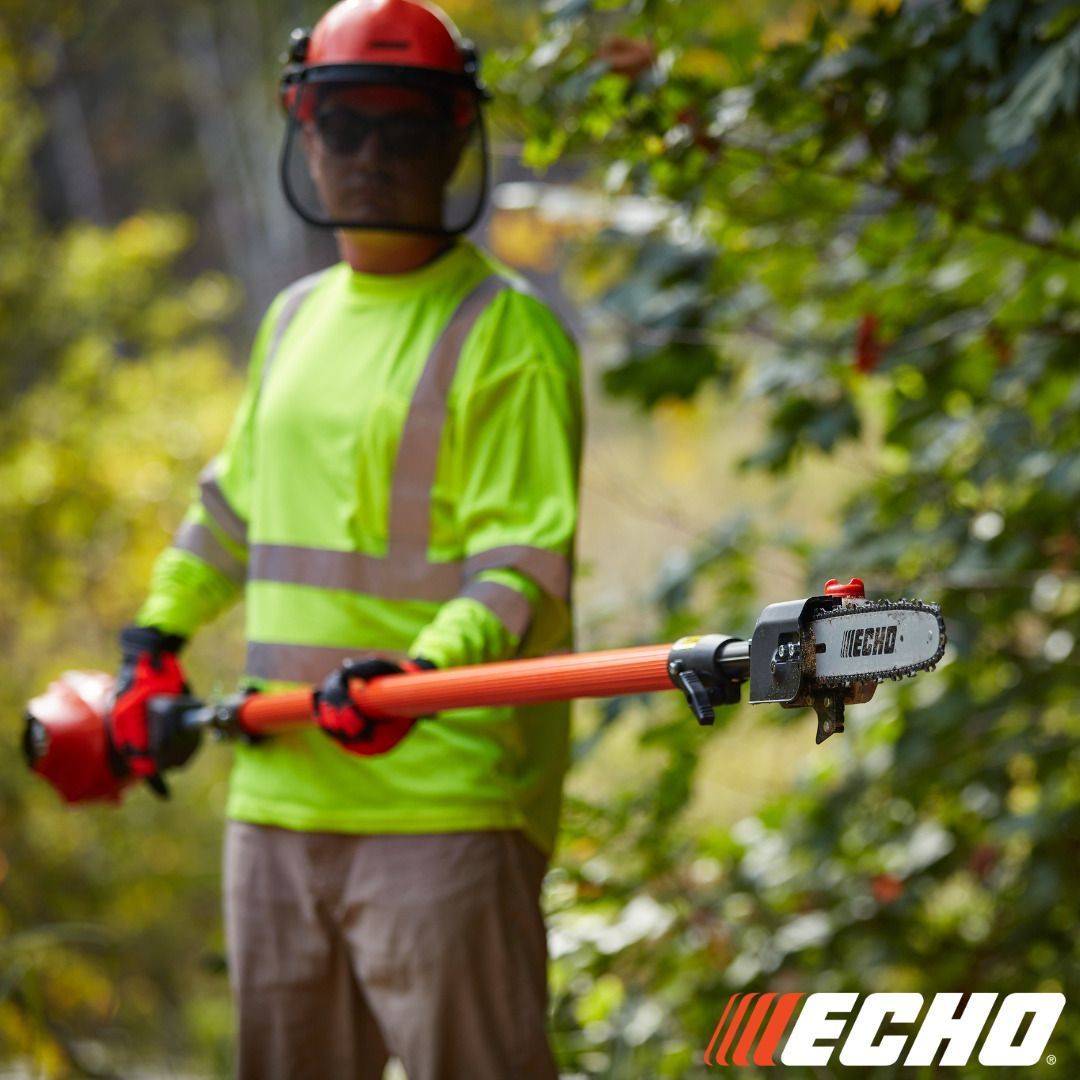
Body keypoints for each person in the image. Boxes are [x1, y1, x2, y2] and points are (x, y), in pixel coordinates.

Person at [106, 1, 583, 1077]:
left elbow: (522, 565)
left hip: (445, 807)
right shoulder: (293, 320)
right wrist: (154, 638)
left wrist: (421, 675)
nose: (373, 155)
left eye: (405, 128)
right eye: (347, 125)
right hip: (276, 805)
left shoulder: (508, 334)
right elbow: (232, 513)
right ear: (302, 126)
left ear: (457, 134)